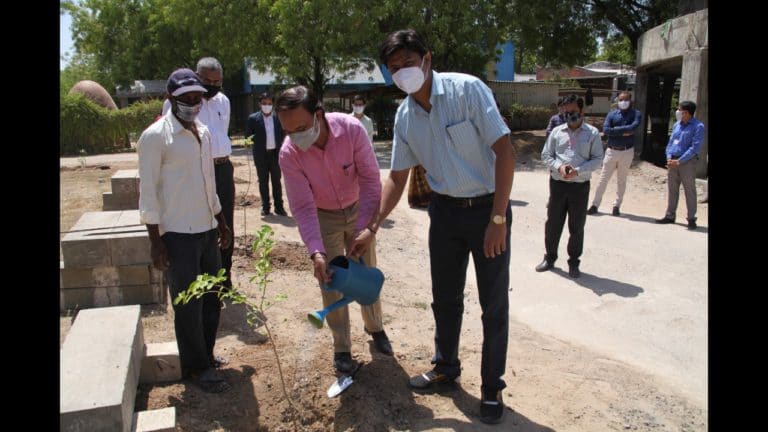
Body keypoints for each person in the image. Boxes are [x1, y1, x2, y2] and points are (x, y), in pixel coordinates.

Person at [364, 29, 516, 424]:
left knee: (493, 305)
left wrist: (498, 219)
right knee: (445, 298)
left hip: (487, 210)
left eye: (409, 64)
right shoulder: (404, 116)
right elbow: (397, 177)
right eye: (394, 69)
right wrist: (373, 224)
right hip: (444, 213)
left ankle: (492, 387)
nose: (403, 73)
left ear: (427, 59)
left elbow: (505, 151)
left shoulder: (468, 90)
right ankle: (446, 367)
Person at [275, 85, 393, 375]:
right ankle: (342, 346)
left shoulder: (351, 130)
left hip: (358, 208)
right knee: (330, 278)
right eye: (289, 131)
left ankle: (375, 327)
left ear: (318, 114)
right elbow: (302, 207)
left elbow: (369, 179)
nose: (296, 136)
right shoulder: (290, 154)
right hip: (322, 215)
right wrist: (315, 251)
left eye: (301, 127)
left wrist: (366, 227)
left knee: (365, 269)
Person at [138, 68, 233, 393]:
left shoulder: (204, 133)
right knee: (187, 303)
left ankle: (205, 355)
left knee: (211, 297)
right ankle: (195, 368)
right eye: (186, 100)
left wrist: (221, 223)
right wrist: (155, 242)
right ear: (171, 99)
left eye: (198, 99)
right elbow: (148, 192)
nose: (193, 104)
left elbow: (209, 185)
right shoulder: (155, 138)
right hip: (177, 235)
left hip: (207, 229)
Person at [161, 58, 235, 292]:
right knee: (202, 226)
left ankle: (225, 279)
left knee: (226, 224)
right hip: (196, 171)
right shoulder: (182, 103)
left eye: (217, 81)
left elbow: (222, 136)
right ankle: (204, 280)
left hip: (223, 168)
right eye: (207, 81)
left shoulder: (224, 101)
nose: (213, 86)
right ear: (196, 77)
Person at [535, 94, 603, 278]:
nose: (568, 115)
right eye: (565, 112)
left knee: (577, 226)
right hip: (558, 185)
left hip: (579, 187)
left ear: (582, 111)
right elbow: (546, 155)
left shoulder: (592, 133)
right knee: (553, 223)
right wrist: (560, 167)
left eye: (572, 112)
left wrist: (578, 170)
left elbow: (598, 159)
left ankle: (574, 262)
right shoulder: (557, 132)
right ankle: (550, 258)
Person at [587, 91, 641, 216]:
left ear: (630, 101)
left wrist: (615, 130)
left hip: (627, 151)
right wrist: (623, 132)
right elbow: (606, 130)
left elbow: (634, 127)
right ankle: (595, 204)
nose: (623, 102)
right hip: (612, 150)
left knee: (621, 180)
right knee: (603, 179)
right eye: (620, 100)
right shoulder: (612, 115)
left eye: (625, 100)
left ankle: (617, 206)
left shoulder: (636, 114)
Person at [655, 101, 705, 230]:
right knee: (672, 189)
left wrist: (680, 161)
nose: (678, 112)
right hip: (673, 161)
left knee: (690, 191)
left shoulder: (698, 126)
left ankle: (691, 218)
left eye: (680, 110)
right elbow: (671, 143)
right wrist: (669, 157)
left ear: (687, 112)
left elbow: (694, 148)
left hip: (687, 162)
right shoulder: (677, 125)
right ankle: (670, 215)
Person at [246, 92, 287, 217]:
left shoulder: (278, 117)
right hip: (261, 155)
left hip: (275, 155)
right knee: (263, 182)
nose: (267, 106)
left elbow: (284, 134)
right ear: (260, 104)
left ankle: (279, 207)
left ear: (273, 104)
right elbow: (248, 136)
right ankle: (265, 207)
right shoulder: (253, 119)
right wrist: (251, 142)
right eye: (264, 103)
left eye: (269, 103)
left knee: (276, 182)